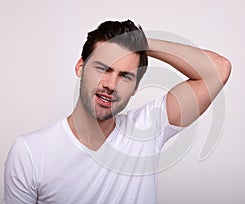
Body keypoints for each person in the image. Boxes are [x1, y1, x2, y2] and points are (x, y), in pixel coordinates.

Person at [3, 19, 231, 204]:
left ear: (135, 88)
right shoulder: (30, 153)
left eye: (125, 76)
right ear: (80, 67)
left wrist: (141, 43)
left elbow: (219, 70)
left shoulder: (148, 128)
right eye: (103, 68)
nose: (111, 85)